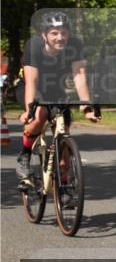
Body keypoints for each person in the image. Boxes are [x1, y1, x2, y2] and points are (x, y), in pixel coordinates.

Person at [15, 11, 101, 185]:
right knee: (39, 116)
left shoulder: (75, 46)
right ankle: (25, 154)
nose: (60, 37)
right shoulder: (34, 46)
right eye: (54, 33)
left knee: (63, 132)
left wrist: (86, 107)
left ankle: (64, 183)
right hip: (31, 87)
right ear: (44, 35)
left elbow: (79, 76)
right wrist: (29, 111)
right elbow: (32, 82)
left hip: (55, 88)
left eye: (63, 32)